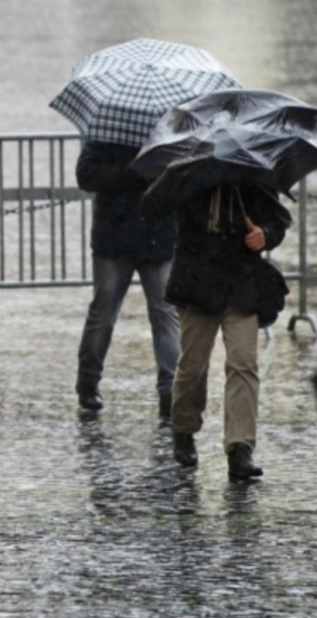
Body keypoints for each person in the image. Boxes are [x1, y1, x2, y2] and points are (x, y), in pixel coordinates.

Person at [141, 182, 290, 480]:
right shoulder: (191, 175)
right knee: (193, 365)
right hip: (197, 284)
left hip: (242, 285)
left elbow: (277, 221)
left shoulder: (254, 174)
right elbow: (157, 208)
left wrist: (266, 235)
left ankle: (240, 447)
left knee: (243, 363)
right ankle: (183, 428)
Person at [73, 141, 179, 415]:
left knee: (165, 311)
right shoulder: (106, 131)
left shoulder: (170, 134)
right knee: (104, 311)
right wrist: (135, 171)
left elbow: (182, 177)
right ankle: (88, 383)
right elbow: (86, 174)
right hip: (114, 235)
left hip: (158, 234)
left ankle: (170, 389)